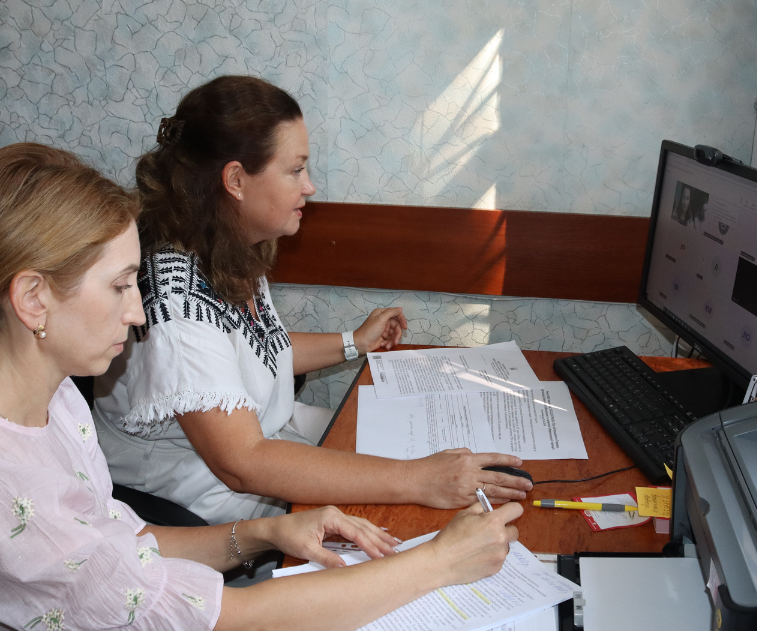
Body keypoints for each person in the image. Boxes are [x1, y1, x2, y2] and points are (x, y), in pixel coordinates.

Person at [0, 143, 522, 628]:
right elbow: (230, 621)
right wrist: (439, 563)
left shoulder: (43, 393)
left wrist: (262, 536)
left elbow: (120, 543)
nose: (138, 313)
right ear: (32, 298)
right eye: (120, 286)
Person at [94, 76, 533, 526]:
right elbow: (242, 464)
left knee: (427, 452)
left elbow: (257, 350)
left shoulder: (228, 249)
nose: (310, 186)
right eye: (296, 170)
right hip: (214, 503)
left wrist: (353, 342)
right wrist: (419, 480)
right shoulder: (176, 306)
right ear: (236, 180)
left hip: (273, 440)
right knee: (422, 505)